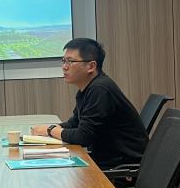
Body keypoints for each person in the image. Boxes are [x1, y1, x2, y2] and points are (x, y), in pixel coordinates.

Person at [30, 38, 148, 169]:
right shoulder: (87, 89)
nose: (64, 67)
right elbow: (74, 123)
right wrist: (50, 128)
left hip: (121, 167)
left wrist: (51, 130)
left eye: (70, 61)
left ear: (91, 66)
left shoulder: (100, 89)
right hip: (106, 160)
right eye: (64, 61)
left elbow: (83, 137)